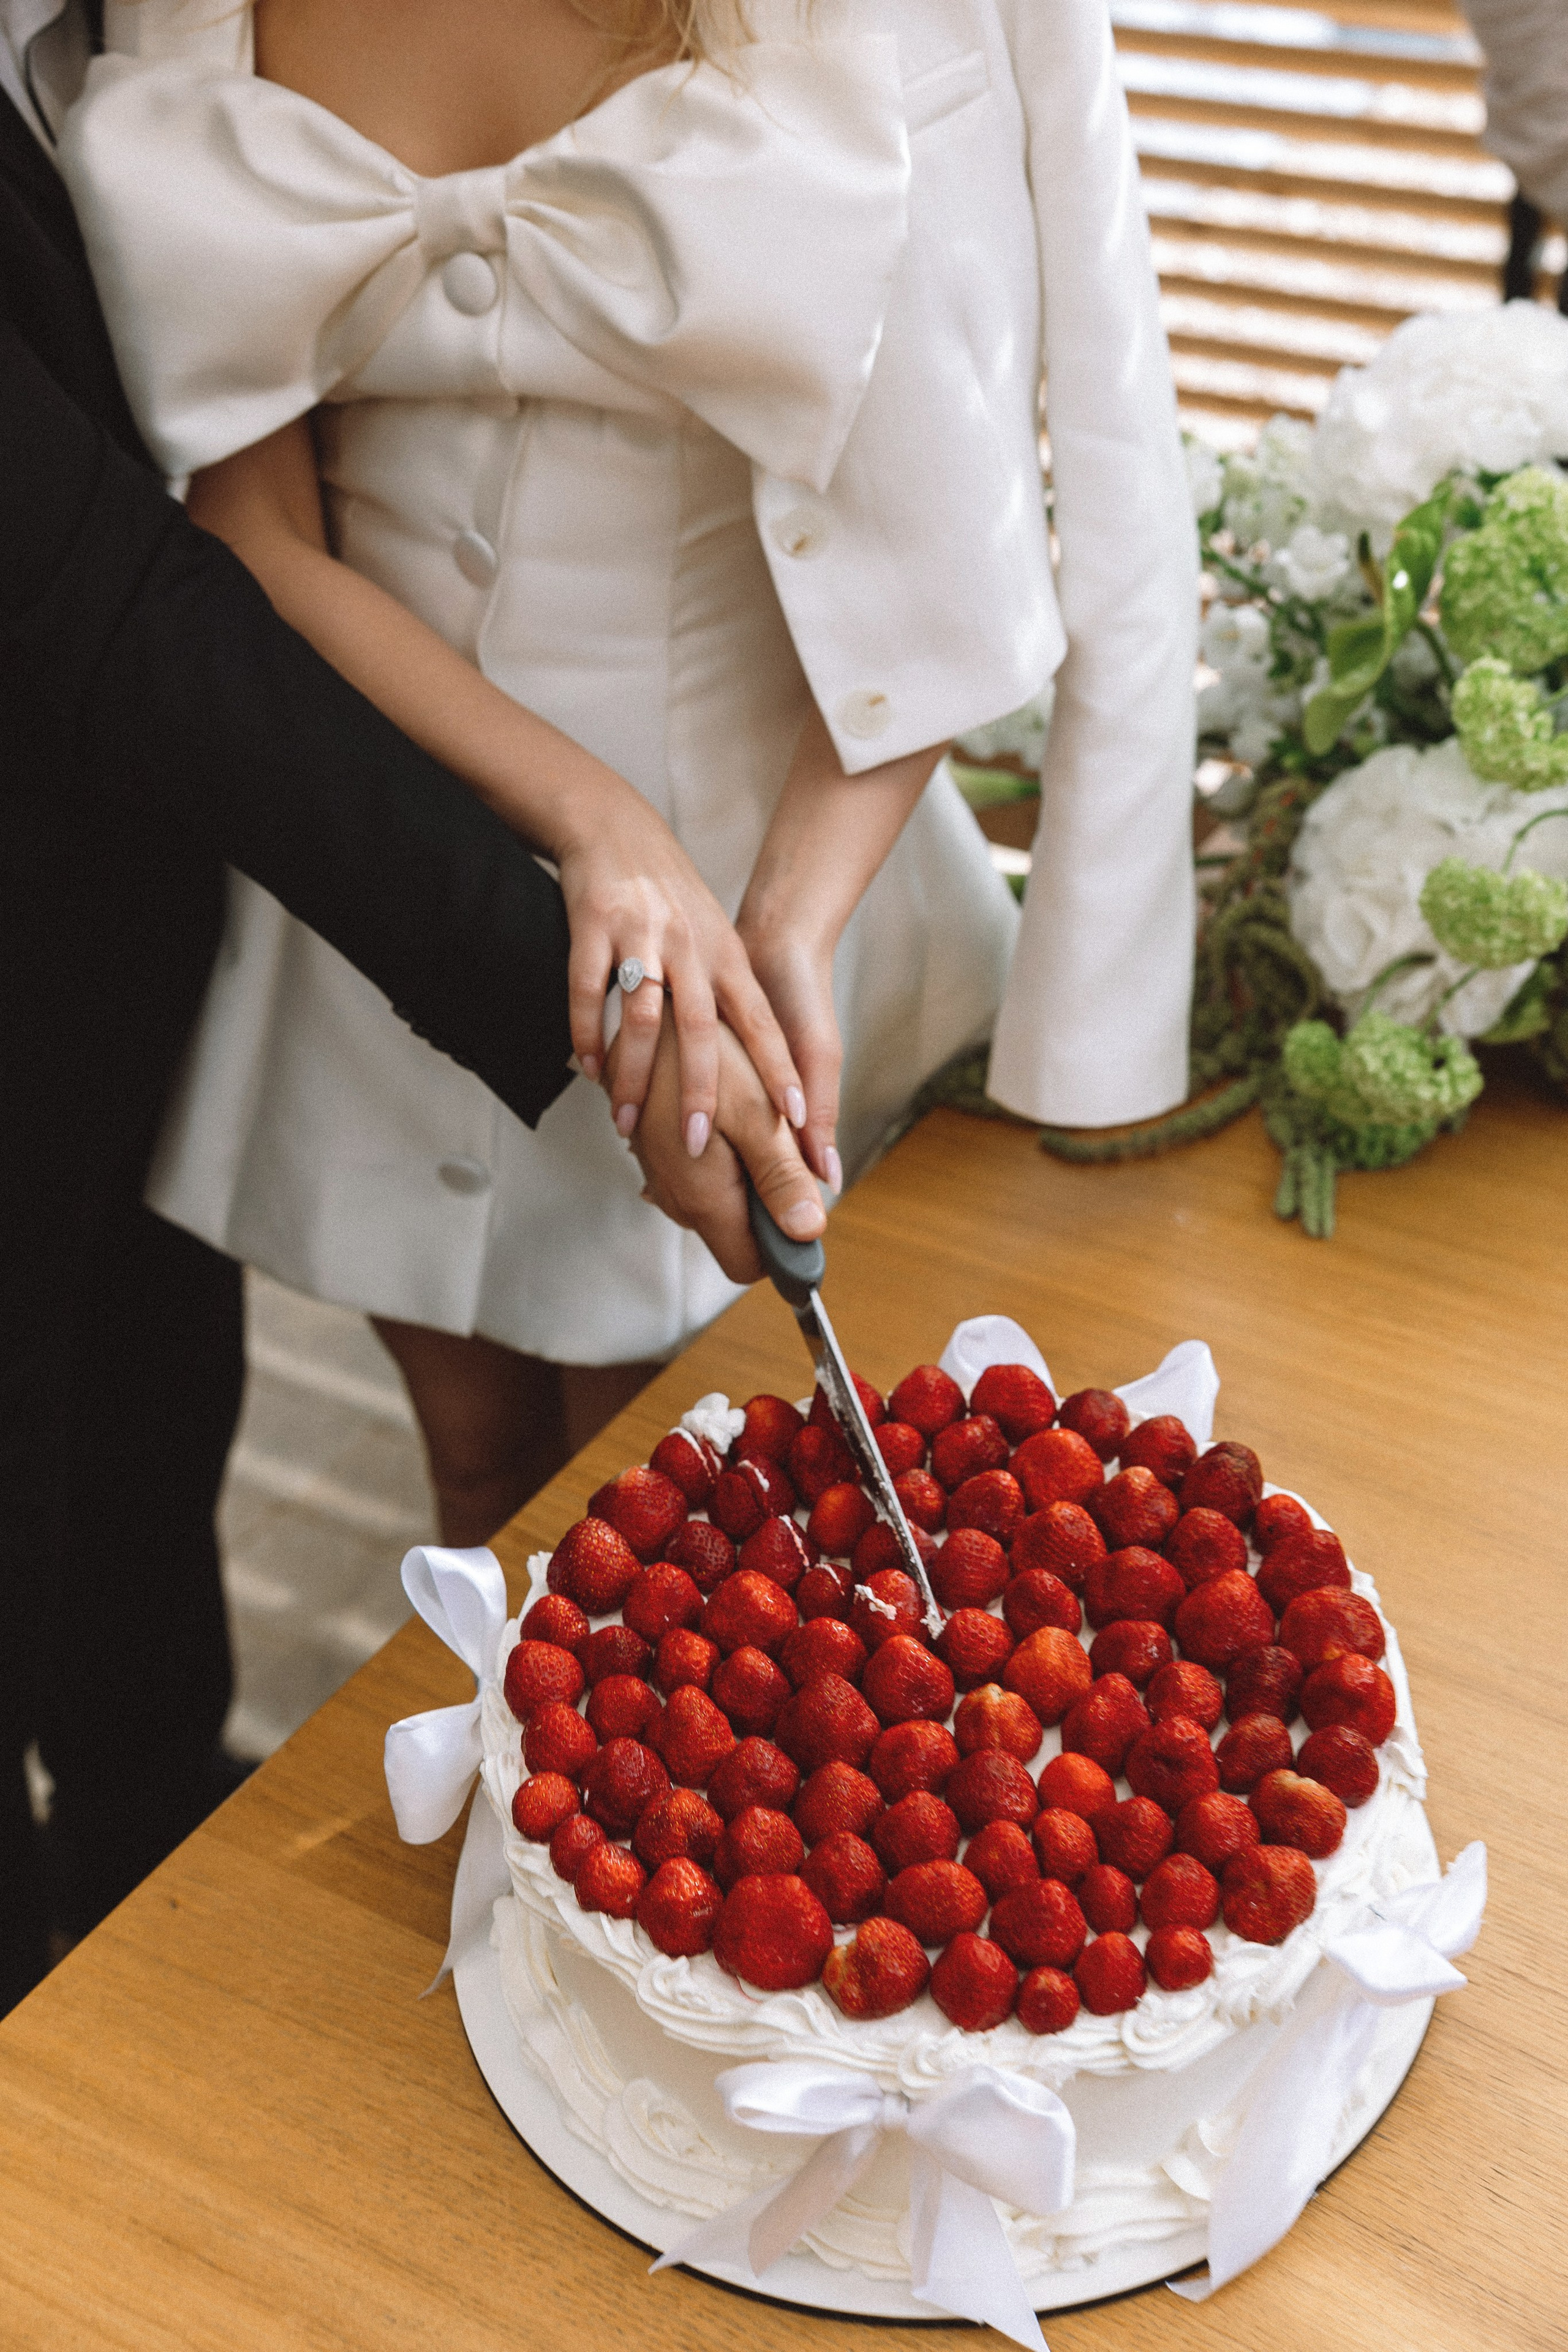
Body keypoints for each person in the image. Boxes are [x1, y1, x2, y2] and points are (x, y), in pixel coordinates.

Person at [56, 0, 1197, 1560]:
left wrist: (780, 929)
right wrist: (594, 822)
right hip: (383, 861)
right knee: (473, 1460)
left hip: (763, 859)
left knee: (676, 1502)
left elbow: (953, 544)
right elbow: (248, 523)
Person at [0, 0, 823, 2015]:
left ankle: (152, 1880)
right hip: (175, 837)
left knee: (137, 1480)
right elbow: (125, 596)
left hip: (120, 948)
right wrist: (588, 912)